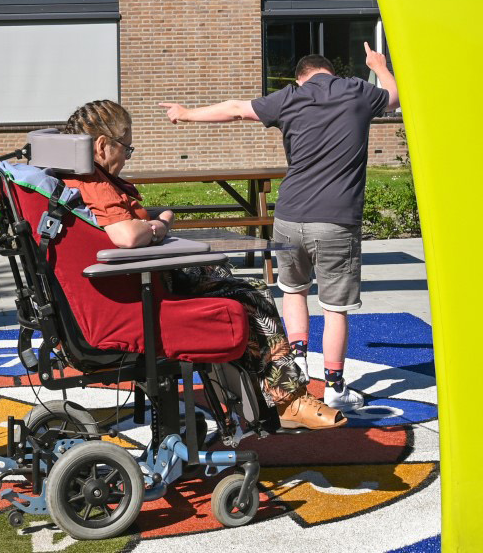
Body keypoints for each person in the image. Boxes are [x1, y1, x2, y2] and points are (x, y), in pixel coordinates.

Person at [57, 100, 346, 430]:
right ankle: (288, 400)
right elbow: (125, 235)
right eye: (126, 148)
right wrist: (160, 227)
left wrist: (153, 219)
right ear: (101, 145)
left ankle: (267, 394)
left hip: (132, 284)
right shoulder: (95, 183)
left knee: (225, 279)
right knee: (251, 295)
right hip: (144, 291)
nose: (126, 157)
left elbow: (119, 223)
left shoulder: (70, 178)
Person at [160, 42, 397, 411]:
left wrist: (185, 113)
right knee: (334, 308)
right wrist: (378, 65)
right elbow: (393, 98)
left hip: (289, 216)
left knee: (293, 291)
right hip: (336, 221)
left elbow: (236, 109)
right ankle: (335, 386)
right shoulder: (357, 91)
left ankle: (298, 366)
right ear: (329, 72)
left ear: (301, 76)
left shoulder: (290, 97)